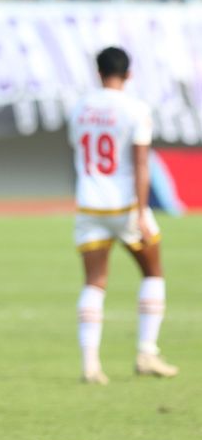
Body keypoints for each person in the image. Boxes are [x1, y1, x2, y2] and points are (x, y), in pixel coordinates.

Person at [68, 46, 178, 385]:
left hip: (90, 205)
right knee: (153, 273)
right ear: (128, 74)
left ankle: (90, 365)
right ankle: (146, 352)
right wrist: (143, 212)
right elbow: (141, 163)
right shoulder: (135, 109)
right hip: (126, 206)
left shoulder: (80, 108)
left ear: (98, 73)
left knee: (94, 281)